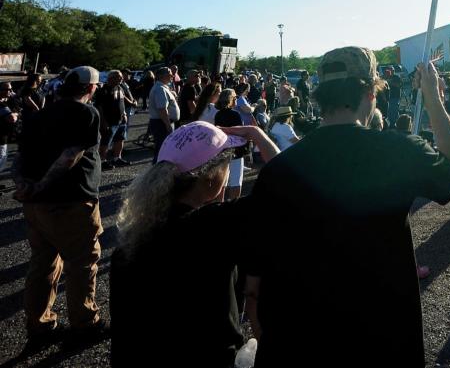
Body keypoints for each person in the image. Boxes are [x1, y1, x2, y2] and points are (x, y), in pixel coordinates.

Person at [244, 48, 450, 367]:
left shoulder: (278, 171)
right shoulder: (399, 152)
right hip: (381, 341)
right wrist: (432, 95)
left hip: (297, 343)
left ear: (320, 97)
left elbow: (254, 281)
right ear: (370, 92)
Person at [111, 121, 279, 368]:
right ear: (212, 177)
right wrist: (258, 135)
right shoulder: (215, 226)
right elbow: (287, 187)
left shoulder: (133, 239)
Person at [12, 67, 108, 352]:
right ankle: (85, 323)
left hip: (36, 205)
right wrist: (40, 186)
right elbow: (71, 156)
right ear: (90, 88)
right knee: (81, 264)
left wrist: (25, 186)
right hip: (73, 202)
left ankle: (40, 325)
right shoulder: (86, 113)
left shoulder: (40, 114)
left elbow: (20, 156)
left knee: (42, 264)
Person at [94, 70, 131, 168]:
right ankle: (102, 161)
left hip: (121, 120)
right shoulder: (104, 90)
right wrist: (103, 121)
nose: (121, 78)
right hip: (109, 121)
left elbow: (122, 101)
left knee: (120, 139)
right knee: (106, 142)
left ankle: (116, 158)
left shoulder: (120, 88)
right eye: (119, 77)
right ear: (111, 78)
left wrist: (124, 114)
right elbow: (99, 107)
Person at [214, 89, 246, 201]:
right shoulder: (235, 114)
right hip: (236, 150)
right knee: (236, 180)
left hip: (222, 149)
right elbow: (241, 132)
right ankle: (233, 205)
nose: (236, 99)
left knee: (223, 181)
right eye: (235, 97)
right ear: (230, 99)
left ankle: (219, 203)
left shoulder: (218, 114)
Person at [147, 67, 179, 163]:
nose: (172, 76)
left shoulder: (163, 87)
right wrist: (168, 126)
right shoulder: (160, 89)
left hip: (163, 123)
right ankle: (155, 174)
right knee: (162, 150)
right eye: (169, 74)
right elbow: (162, 109)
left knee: (164, 150)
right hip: (162, 123)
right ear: (161, 76)